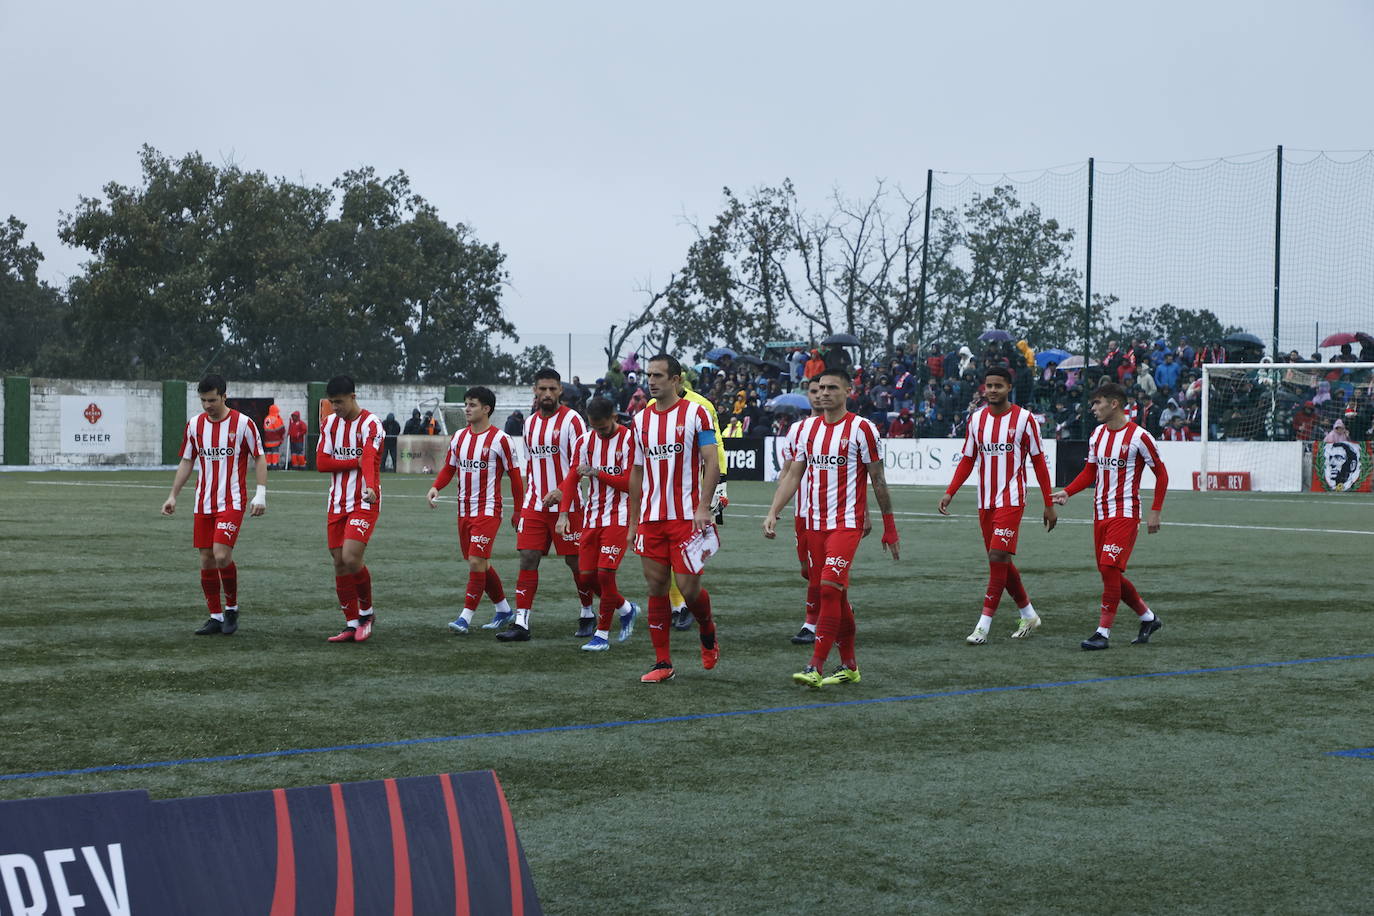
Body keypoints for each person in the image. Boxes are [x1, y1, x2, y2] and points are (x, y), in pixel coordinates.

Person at [764, 367, 900, 687]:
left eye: (832, 388)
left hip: (846, 524)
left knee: (828, 589)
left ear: (848, 391)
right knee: (835, 597)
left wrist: (888, 527)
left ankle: (816, 666)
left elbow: (878, 480)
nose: (824, 393)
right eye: (821, 388)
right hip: (813, 524)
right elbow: (794, 475)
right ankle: (850, 666)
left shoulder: (862, 430)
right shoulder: (808, 429)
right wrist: (773, 511)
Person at [938, 367, 1056, 644]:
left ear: (1009, 388)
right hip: (985, 501)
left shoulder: (1025, 420)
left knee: (996, 557)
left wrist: (1048, 504)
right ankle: (1029, 614)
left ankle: (983, 625)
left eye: (998, 386)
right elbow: (968, 459)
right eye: (988, 385)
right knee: (1002, 560)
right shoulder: (977, 420)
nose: (992, 390)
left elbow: (1039, 462)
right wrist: (950, 492)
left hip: (1012, 499)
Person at [1051, 382, 1169, 650]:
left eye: (1097, 403)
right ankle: (1148, 618)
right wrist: (1067, 492)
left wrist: (1155, 511)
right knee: (1110, 573)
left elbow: (1161, 475)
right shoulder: (1097, 435)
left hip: (1125, 513)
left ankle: (1102, 633)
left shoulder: (1140, 437)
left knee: (1108, 568)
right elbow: (1090, 472)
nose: (1093, 408)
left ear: (1113, 404)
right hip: (1100, 513)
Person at [629, 353, 722, 683]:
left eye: (658, 375)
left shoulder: (697, 413)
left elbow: (712, 463)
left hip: (686, 516)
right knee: (656, 586)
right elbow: (637, 472)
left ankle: (707, 631)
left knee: (688, 588)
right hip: (652, 518)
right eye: (648, 375)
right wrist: (634, 521)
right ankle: (662, 662)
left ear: (675, 380)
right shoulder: (640, 421)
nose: (651, 381)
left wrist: (704, 507)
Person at [161, 375, 268, 636]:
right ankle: (215, 616)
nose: (207, 405)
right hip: (203, 501)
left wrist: (261, 493)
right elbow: (187, 461)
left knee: (221, 554)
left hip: (231, 500)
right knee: (206, 559)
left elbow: (260, 457)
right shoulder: (195, 425)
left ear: (224, 396)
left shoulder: (243, 424)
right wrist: (173, 495)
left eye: (212, 399)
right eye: (203, 400)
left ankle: (231, 608)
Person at [496, 368, 591, 642]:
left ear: (560, 390)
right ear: (534, 391)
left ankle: (587, 612)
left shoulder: (573, 421)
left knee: (575, 562)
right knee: (528, 557)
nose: (547, 394)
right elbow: (532, 466)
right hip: (535, 505)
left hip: (569, 505)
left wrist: (562, 492)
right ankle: (521, 622)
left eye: (552, 389)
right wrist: (526, 502)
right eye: (542, 389)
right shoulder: (529, 424)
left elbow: (578, 465)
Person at [541, 396, 640, 651]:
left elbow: (631, 483)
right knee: (586, 577)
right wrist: (563, 514)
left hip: (620, 516)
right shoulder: (584, 441)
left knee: (606, 575)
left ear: (614, 418)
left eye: (603, 427)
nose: (598, 432)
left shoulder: (630, 439)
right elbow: (572, 479)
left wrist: (598, 472)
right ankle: (627, 609)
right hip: (591, 517)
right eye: (593, 427)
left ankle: (602, 635)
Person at [427, 386, 522, 633]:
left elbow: (515, 477)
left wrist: (518, 511)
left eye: (472, 405)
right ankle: (503, 609)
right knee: (481, 563)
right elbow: (450, 468)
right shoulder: (459, 437)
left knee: (476, 561)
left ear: (486, 409)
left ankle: (465, 618)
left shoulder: (501, 440)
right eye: (466, 404)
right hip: (464, 510)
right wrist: (436, 487)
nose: (467, 409)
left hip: (488, 510)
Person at [316, 375, 386, 643]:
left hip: (364, 499)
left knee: (351, 556)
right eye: (332, 402)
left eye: (340, 402)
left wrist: (369, 483)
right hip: (337, 502)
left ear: (353, 397)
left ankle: (367, 613)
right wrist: (352, 462)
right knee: (338, 561)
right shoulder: (329, 424)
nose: (336, 408)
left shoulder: (371, 424)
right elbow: (322, 462)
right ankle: (351, 622)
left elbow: (368, 456)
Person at [779, 377, 826, 644]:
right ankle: (838, 606)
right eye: (814, 391)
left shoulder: (846, 428)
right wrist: (776, 506)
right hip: (803, 511)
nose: (819, 395)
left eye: (824, 389)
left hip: (829, 513)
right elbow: (788, 470)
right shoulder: (798, 430)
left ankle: (811, 623)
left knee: (819, 571)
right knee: (807, 571)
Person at [262, 404, 285, 470]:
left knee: (268, 453)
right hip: (275, 440)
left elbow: (266, 428)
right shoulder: (275, 419)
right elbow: (280, 429)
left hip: (268, 440)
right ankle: (274, 465)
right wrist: (281, 436)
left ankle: (268, 465)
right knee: (275, 453)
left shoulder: (267, 418)